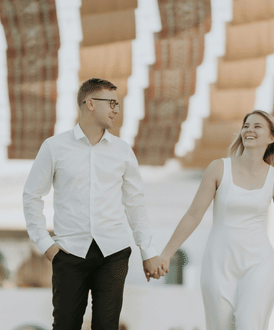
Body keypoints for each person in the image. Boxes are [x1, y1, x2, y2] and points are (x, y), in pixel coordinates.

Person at [23, 78, 167, 330]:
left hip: (114, 253)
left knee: (107, 326)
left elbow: (135, 204)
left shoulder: (123, 151)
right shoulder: (54, 147)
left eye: (117, 104)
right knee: (65, 325)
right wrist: (46, 245)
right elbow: (31, 196)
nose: (116, 109)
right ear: (89, 103)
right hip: (68, 253)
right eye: (111, 103)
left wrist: (149, 252)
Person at [157, 110, 274, 330]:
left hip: (258, 262)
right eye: (246, 126)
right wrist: (167, 254)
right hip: (219, 262)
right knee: (221, 326)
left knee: (248, 324)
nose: (249, 130)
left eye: (257, 126)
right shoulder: (218, 168)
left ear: (271, 138)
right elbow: (193, 215)